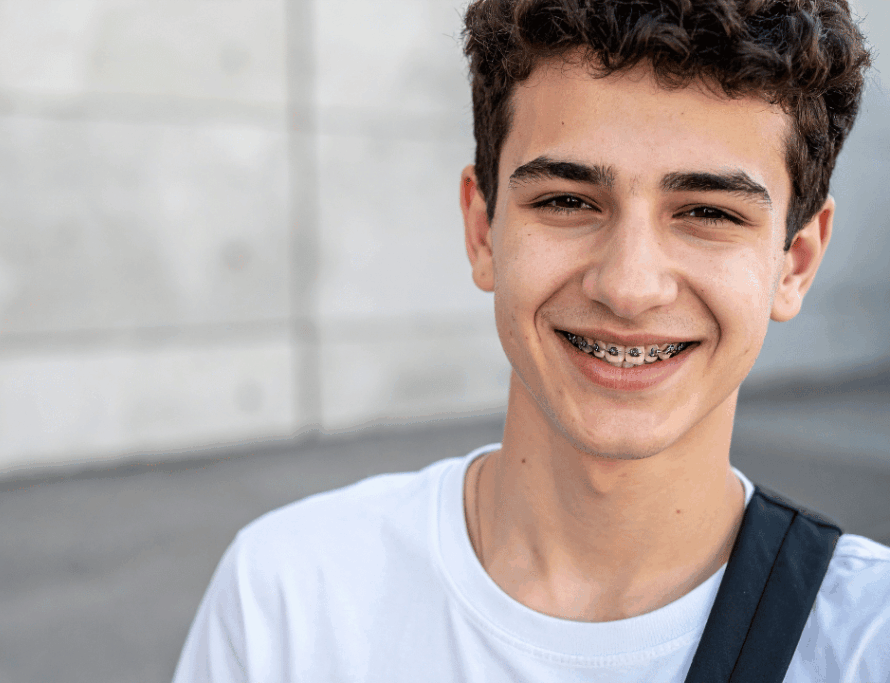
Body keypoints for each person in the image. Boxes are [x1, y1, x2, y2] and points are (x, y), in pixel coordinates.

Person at [173, 1, 889, 680]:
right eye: (568, 201)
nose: (628, 286)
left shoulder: (867, 640)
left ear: (795, 263)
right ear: (482, 230)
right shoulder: (288, 597)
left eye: (708, 212)